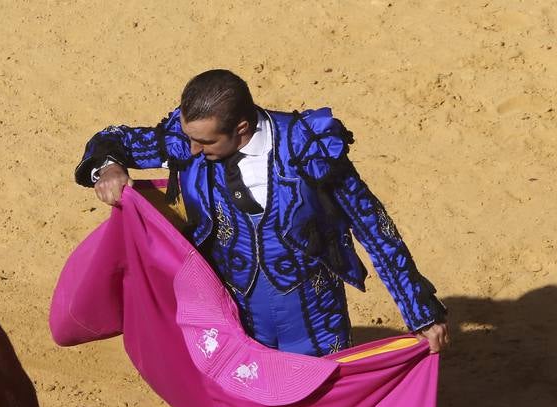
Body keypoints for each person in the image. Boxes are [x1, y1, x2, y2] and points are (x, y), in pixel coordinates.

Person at [75, 69, 449, 357]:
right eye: (189, 136)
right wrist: (107, 167)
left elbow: (373, 225)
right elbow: (113, 140)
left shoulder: (308, 148)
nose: (189, 149)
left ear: (241, 128)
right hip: (235, 320)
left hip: (316, 321)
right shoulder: (187, 138)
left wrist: (421, 313)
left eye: (204, 141)